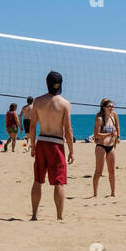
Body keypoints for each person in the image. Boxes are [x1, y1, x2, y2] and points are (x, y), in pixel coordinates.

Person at [28, 71, 74, 220]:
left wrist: (33, 146)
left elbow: (32, 127)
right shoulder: (65, 104)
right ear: (60, 84)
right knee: (58, 182)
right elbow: (68, 130)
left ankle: (34, 215)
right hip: (56, 144)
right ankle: (59, 217)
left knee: (38, 180)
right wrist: (71, 151)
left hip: (42, 142)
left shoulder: (38, 101)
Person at [92, 97, 119, 198]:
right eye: (109, 106)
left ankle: (113, 192)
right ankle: (95, 193)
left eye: (112, 106)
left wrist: (116, 137)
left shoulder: (113, 117)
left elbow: (116, 129)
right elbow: (96, 134)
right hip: (101, 147)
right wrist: (109, 134)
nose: (112, 108)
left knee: (112, 171)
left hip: (111, 146)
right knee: (99, 171)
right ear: (104, 108)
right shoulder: (99, 119)